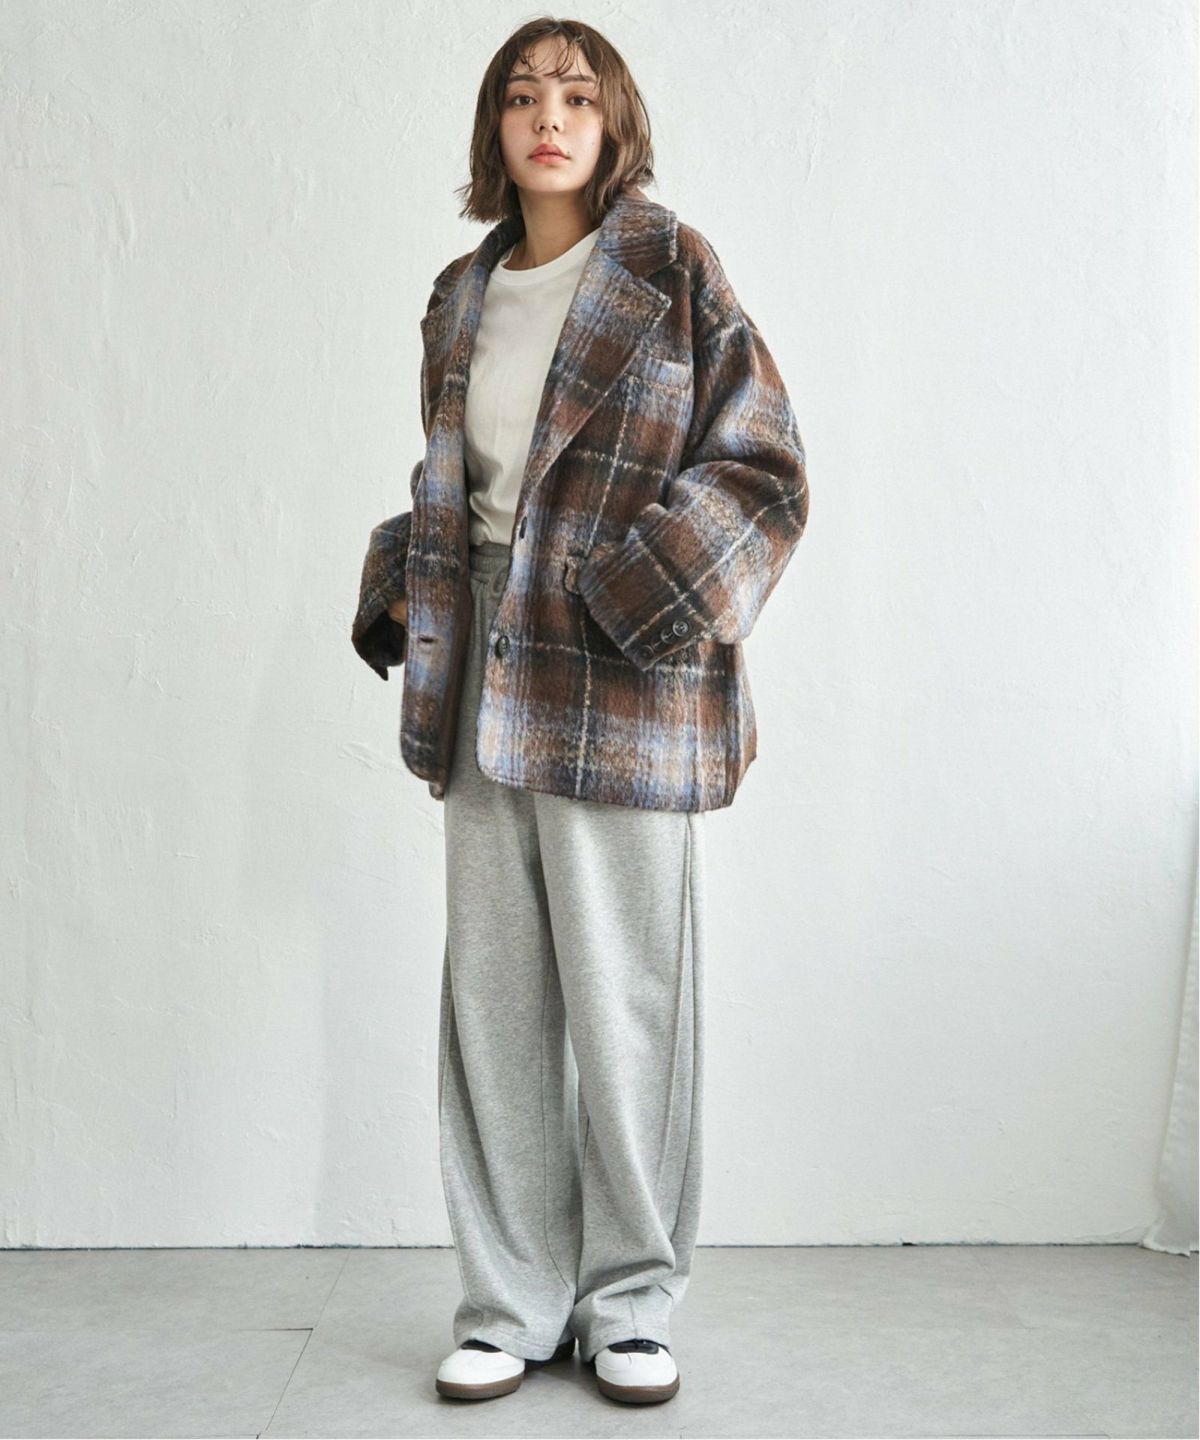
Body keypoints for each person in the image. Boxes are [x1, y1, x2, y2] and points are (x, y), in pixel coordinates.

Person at [352, 15, 809, 1408]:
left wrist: (635, 594)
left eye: (576, 96)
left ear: (615, 125)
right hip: (484, 658)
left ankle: (630, 1299)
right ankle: (511, 1298)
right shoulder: (460, 294)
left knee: (627, 999)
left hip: (620, 667)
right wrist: (402, 579)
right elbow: (460, 484)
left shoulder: (671, 269)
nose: (547, 117)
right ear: (493, 129)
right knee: (494, 996)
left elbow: (764, 468)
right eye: (521, 96)